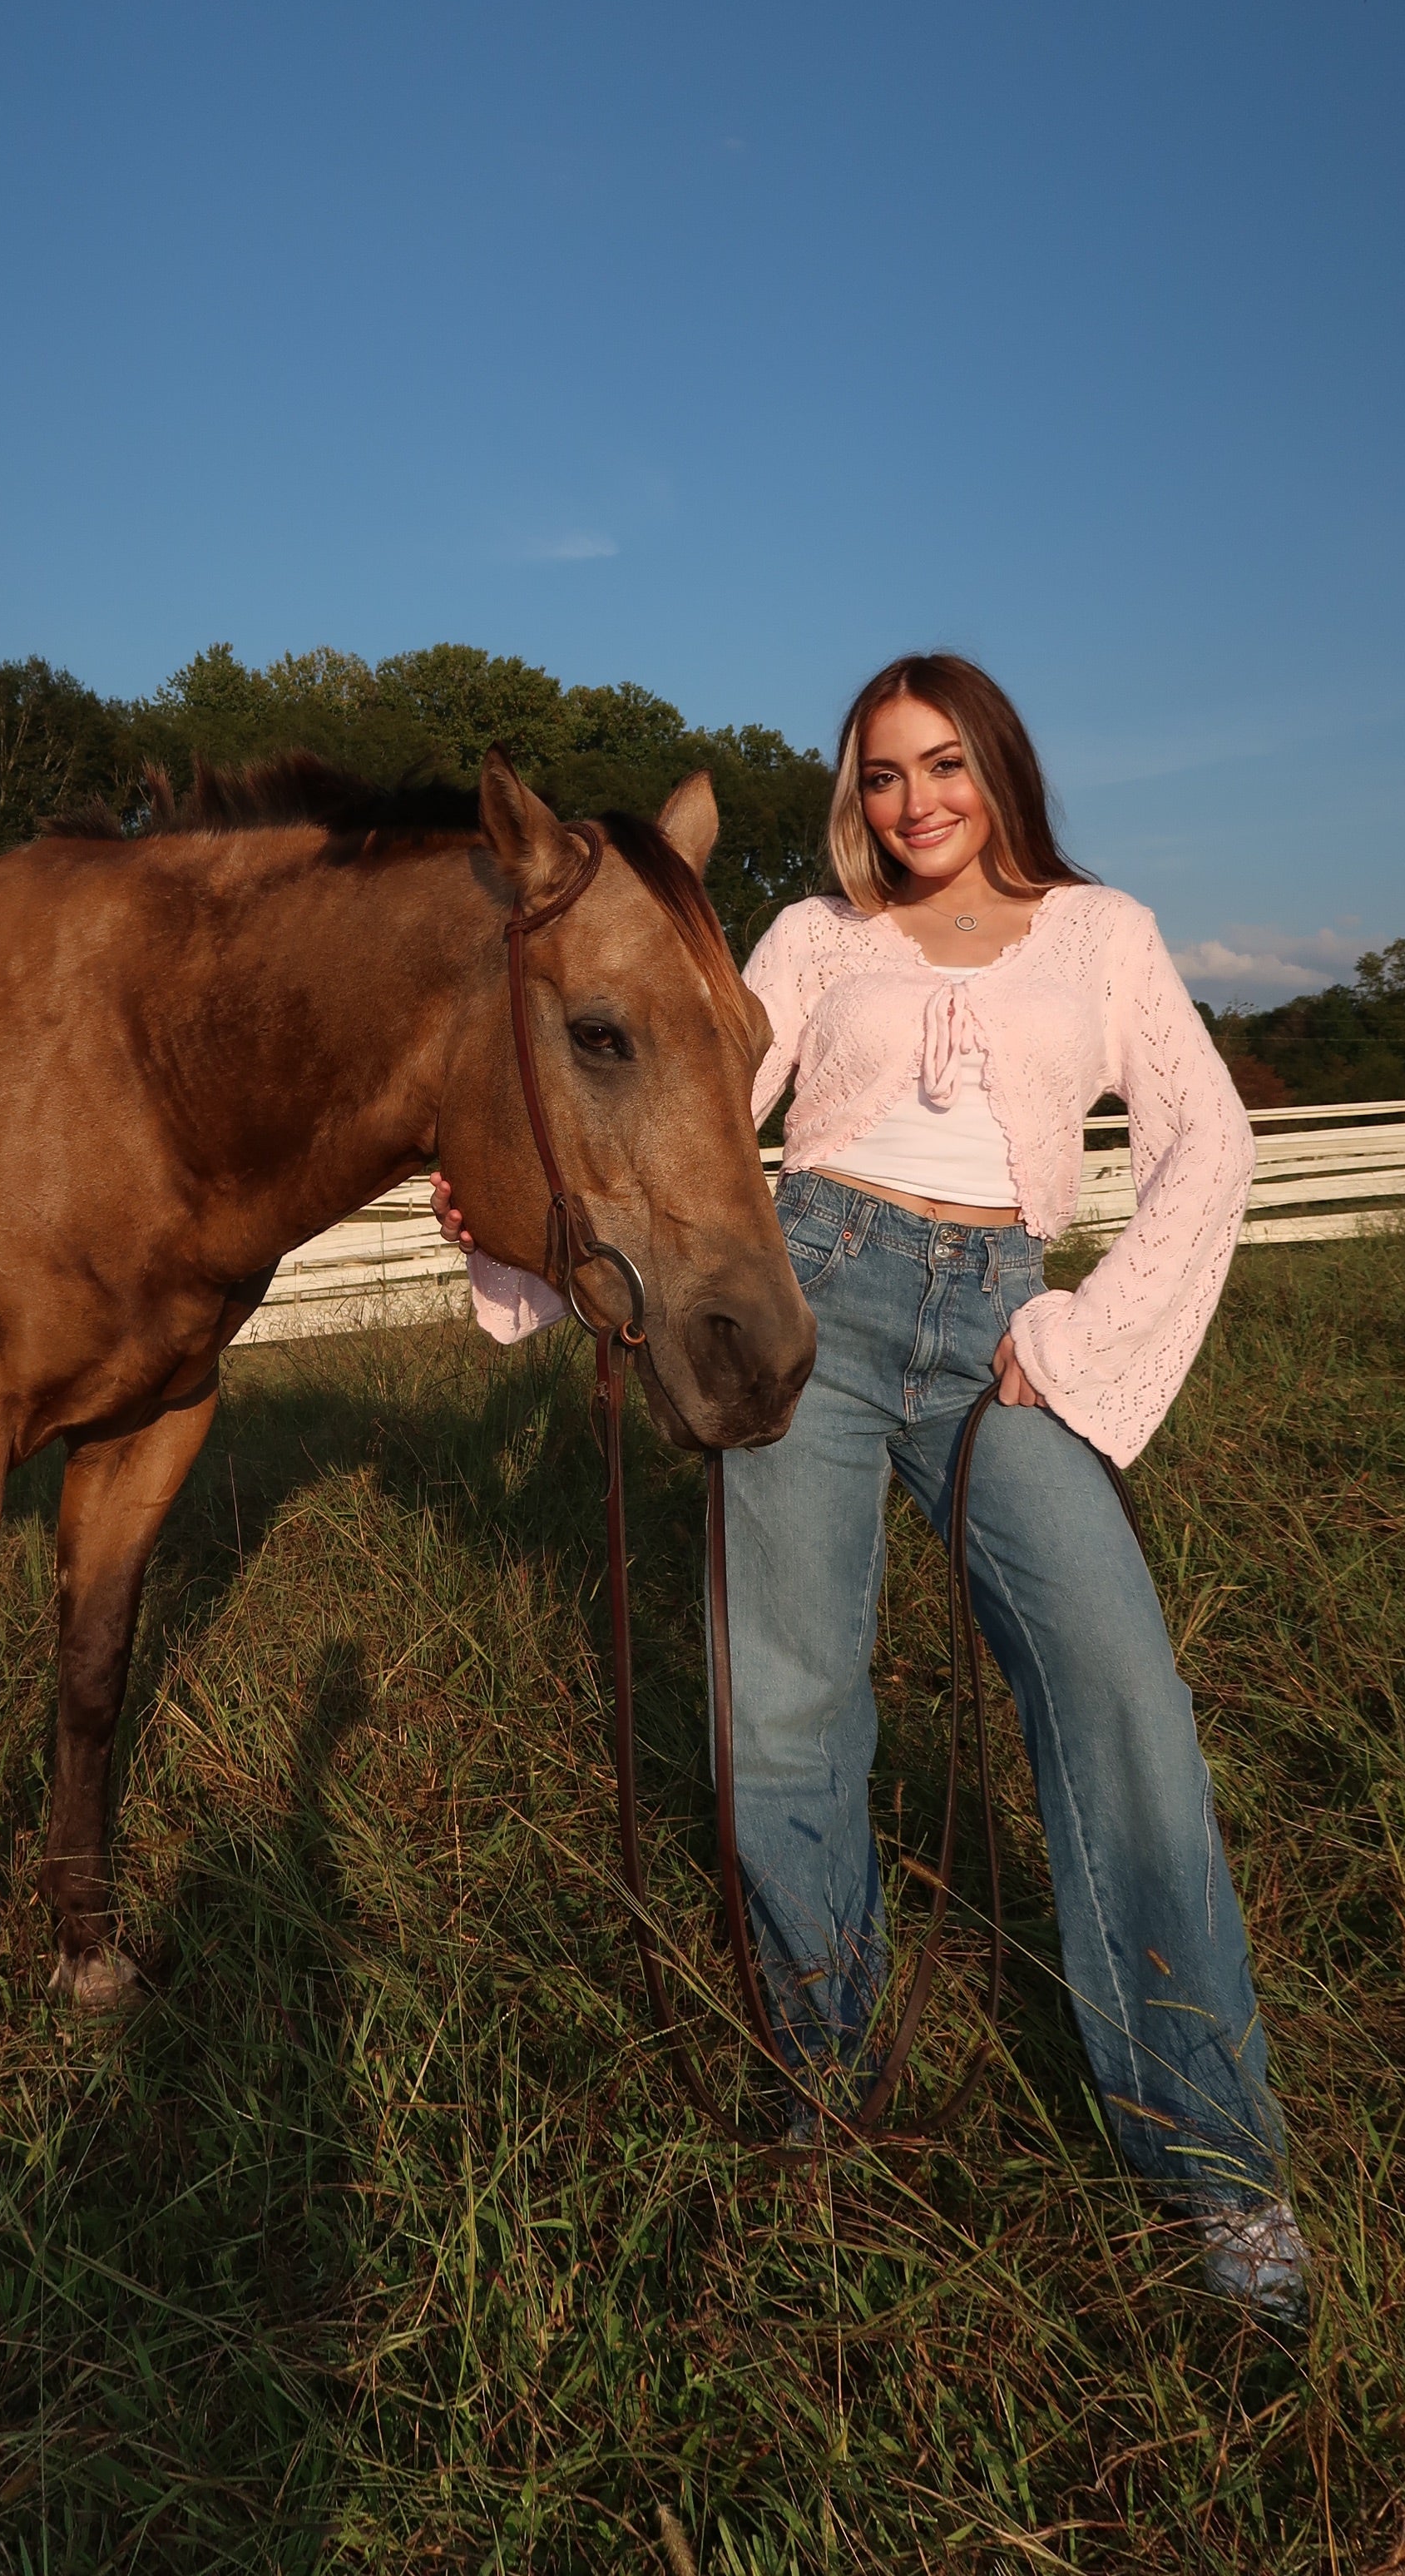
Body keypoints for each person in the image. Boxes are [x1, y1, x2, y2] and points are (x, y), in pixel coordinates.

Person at [433, 654, 1307, 2318]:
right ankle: (827, 2085)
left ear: (999, 768)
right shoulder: (809, 939)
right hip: (815, 1290)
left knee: (1124, 1701)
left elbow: (1210, 1142)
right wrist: (519, 1235)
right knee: (783, 1708)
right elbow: (678, 1116)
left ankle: (1212, 2157)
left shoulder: (1101, 934)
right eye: (882, 774)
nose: (914, 803)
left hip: (1005, 1329)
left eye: (943, 765)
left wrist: (1086, 1333)